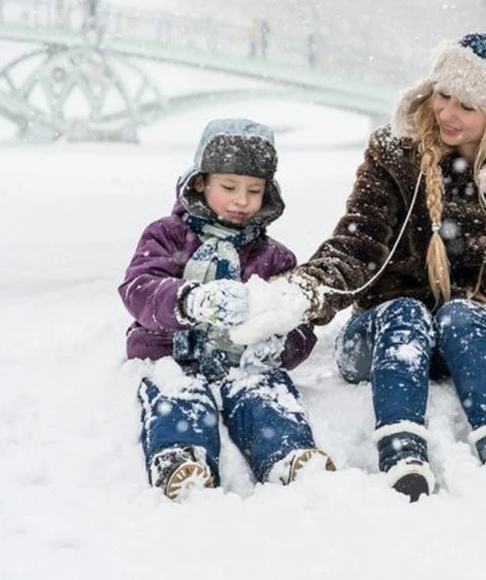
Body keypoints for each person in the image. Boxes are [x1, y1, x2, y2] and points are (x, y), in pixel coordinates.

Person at [228, 33, 486, 501]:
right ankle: (402, 454)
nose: (446, 112)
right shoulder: (395, 152)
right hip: (382, 337)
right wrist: (304, 292)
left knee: (464, 315)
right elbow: (357, 245)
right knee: (406, 313)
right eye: (443, 94)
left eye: (466, 106)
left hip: (469, 341)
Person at [119, 118, 335, 501]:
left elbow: (298, 322)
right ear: (201, 182)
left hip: (242, 364)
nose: (241, 201)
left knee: (266, 394)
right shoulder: (167, 235)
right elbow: (139, 288)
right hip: (172, 356)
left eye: (254, 190)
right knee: (178, 396)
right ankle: (181, 459)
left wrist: (280, 346)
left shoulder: (275, 258)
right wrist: (189, 300)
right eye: (229, 187)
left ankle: (287, 455)